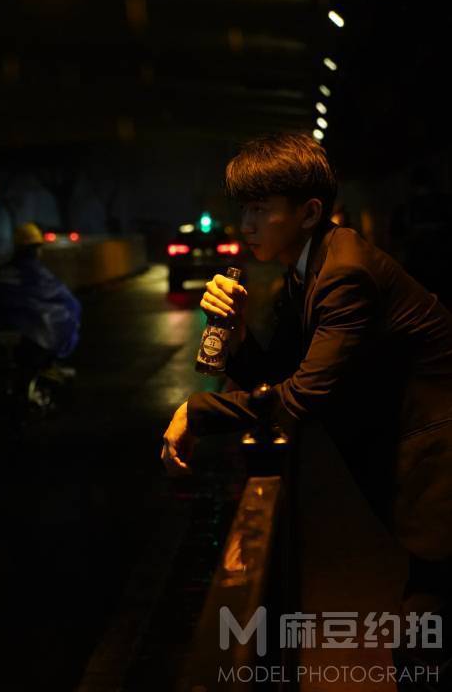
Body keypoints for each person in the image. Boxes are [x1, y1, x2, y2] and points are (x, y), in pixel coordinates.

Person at [162, 132, 452, 687]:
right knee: (424, 641)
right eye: (244, 208)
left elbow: (302, 397)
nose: (247, 223)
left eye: (261, 209)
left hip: (440, 466)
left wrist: (196, 412)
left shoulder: (343, 273)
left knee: (423, 645)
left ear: (310, 212)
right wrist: (236, 332)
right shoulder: (306, 269)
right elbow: (279, 376)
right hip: (423, 475)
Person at [0, 221, 81, 374]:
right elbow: (68, 302)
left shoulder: (1, 273)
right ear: (37, 249)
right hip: (33, 342)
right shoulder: (40, 275)